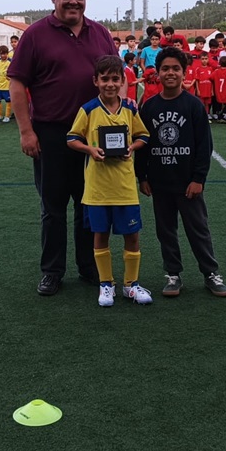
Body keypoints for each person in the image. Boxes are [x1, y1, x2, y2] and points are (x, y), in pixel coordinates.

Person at [8, 0, 118, 296]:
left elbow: (118, 78)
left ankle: (89, 267)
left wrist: (118, 120)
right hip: (51, 135)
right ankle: (52, 271)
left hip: (93, 136)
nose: (73, 2)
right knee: (53, 208)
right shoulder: (35, 35)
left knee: (90, 206)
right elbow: (17, 84)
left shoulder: (101, 33)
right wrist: (26, 132)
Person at [136, 47, 226, 299]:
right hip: (160, 183)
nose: (170, 73)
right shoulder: (149, 107)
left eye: (176, 69)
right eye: (165, 68)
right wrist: (142, 176)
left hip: (188, 183)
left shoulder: (194, 105)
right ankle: (173, 274)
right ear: (157, 73)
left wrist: (198, 178)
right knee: (166, 231)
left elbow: (204, 146)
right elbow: (142, 144)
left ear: (184, 72)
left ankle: (211, 273)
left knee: (198, 229)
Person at [66, 55, 152, 307]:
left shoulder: (130, 109)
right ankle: (106, 284)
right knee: (100, 235)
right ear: (96, 81)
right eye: (105, 79)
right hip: (98, 188)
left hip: (125, 187)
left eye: (115, 79)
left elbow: (143, 136)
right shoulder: (88, 109)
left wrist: (131, 147)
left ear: (123, 81)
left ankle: (131, 285)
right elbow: (71, 138)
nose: (110, 84)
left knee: (132, 236)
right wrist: (90, 150)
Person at [0, 43, 13, 122]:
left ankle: (7, 116)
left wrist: (10, 78)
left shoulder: (10, 61)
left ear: (7, 53)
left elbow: (13, 72)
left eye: (4, 54)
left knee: (8, 101)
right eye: (1, 54)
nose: (3, 56)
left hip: (7, 85)